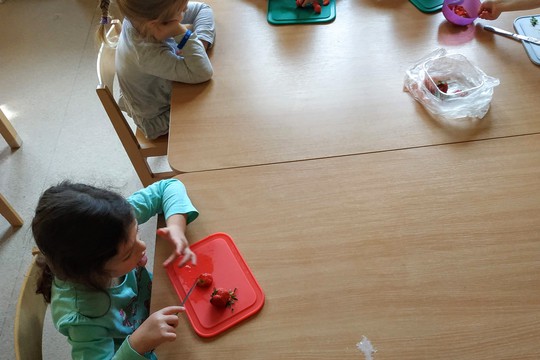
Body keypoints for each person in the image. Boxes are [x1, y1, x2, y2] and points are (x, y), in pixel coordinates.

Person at [32, 178, 199, 359]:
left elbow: (169, 186)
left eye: (138, 233)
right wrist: (138, 342)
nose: (142, 246)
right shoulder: (84, 319)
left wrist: (175, 227)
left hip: (157, 301)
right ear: (92, 270)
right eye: (127, 254)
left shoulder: (115, 223)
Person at [97, 0, 215, 140]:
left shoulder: (140, 16)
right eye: (182, 10)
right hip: (158, 117)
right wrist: (181, 32)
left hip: (156, 91)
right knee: (216, 112)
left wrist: (200, 43)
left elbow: (203, 9)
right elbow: (202, 72)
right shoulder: (147, 55)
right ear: (156, 24)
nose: (186, 10)